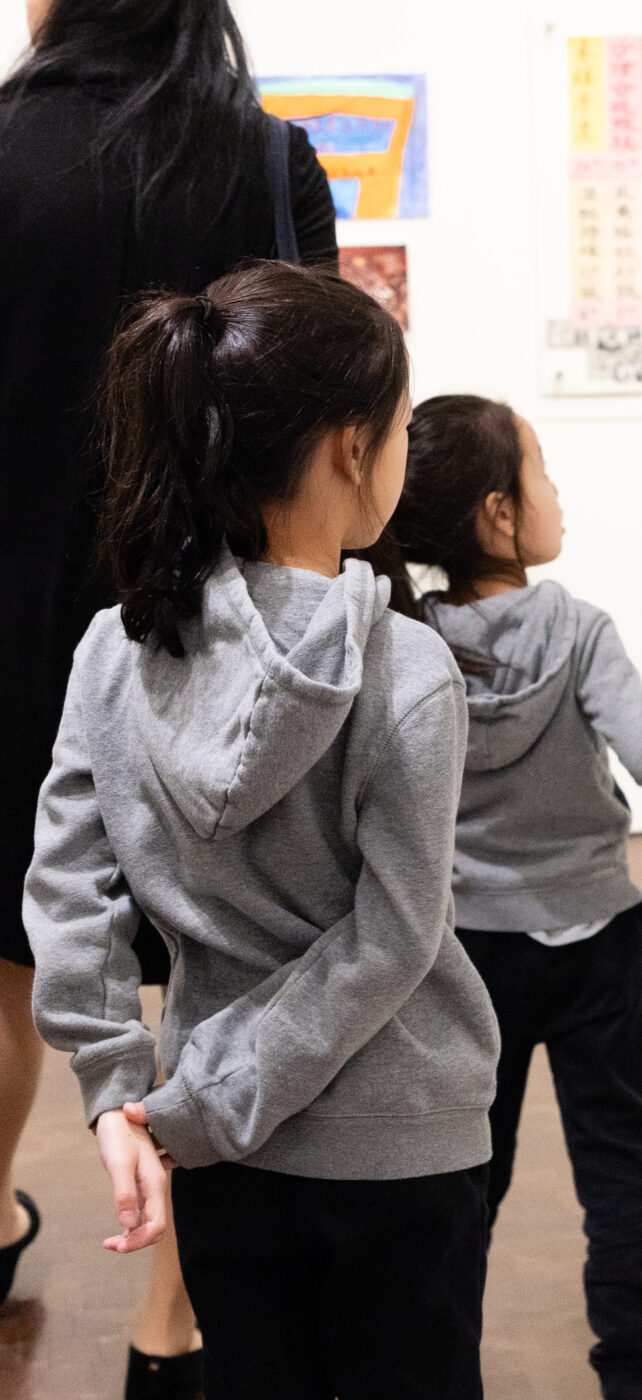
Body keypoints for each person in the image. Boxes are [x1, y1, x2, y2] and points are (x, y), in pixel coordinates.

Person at [24, 261, 500, 1400]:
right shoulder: (405, 668)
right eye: (399, 430)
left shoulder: (117, 649)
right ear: (351, 449)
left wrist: (127, 1093)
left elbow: (69, 888)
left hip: (220, 1150)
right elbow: (395, 935)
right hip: (401, 1141)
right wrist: (199, 1105)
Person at [0, 0, 336, 1388]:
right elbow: (321, 426)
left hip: (12, 634)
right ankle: (171, 1321)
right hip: (208, 639)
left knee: (5, 956)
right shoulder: (264, 161)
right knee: (220, 965)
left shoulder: (4, 151)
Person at [391, 395, 642, 1400]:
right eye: (541, 471)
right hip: (596, 941)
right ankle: (629, 1377)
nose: (556, 492)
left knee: (471, 1173)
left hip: (471, 952)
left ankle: (447, 1372)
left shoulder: (413, 642)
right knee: (620, 1168)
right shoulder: (577, 628)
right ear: (498, 513)